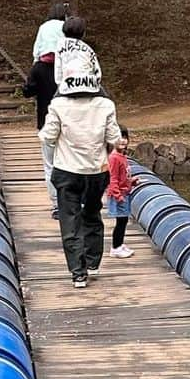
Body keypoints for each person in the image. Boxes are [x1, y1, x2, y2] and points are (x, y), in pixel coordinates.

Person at [40, 42, 121, 288]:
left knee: (70, 220)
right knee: (93, 212)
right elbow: (114, 138)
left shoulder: (58, 106)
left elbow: (48, 137)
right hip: (96, 171)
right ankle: (94, 260)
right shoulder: (106, 105)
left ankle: (78, 272)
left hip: (67, 171)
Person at [23, 1, 69, 216]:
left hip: (45, 120)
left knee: (50, 164)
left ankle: (57, 204)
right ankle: (73, 202)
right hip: (70, 121)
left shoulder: (39, 68)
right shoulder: (71, 67)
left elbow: (27, 91)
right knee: (70, 161)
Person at [106, 128, 137, 258]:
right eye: (119, 137)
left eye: (125, 137)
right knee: (121, 221)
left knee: (123, 221)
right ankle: (116, 247)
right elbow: (112, 178)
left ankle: (119, 244)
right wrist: (118, 195)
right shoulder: (114, 158)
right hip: (119, 195)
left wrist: (131, 182)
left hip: (124, 192)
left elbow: (123, 176)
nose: (123, 140)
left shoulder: (122, 156)